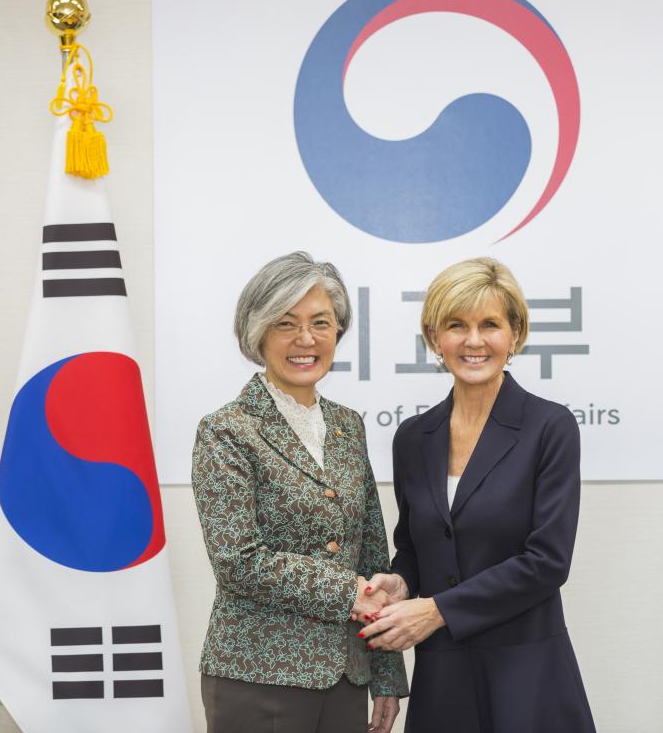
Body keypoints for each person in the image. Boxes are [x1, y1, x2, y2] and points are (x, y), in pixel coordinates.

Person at [358, 257, 596, 733]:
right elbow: (415, 546)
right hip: (442, 677)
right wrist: (400, 584)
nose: (473, 341)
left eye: (490, 324)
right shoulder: (413, 437)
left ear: (515, 334)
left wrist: (436, 610)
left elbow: (547, 561)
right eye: (456, 325)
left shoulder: (549, 427)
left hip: (527, 675)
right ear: (434, 337)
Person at [192, 252, 407, 733]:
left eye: (320, 323)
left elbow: (371, 553)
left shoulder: (348, 427)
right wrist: (347, 591)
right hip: (258, 677)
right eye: (286, 323)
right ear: (258, 333)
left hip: (346, 677)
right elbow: (238, 560)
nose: (305, 339)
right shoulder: (226, 430)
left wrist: (386, 677)